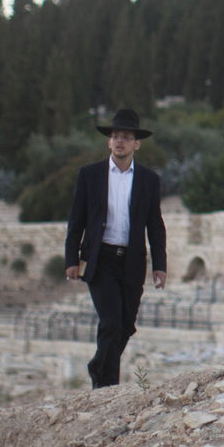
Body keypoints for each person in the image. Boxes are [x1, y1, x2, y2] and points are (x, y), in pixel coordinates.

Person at [64, 109, 167, 388]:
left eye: (126, 137)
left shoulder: (148, 180)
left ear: (137, 144)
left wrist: (160, 265)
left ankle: (99, 365)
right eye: (115, 136)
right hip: (101, 260)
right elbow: (77, 220)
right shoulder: (90, 175)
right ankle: (106, 386)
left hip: (132, 262)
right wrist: (71, 259)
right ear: (109, 142)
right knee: (110, 323)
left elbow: (155, 225)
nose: (120, 141)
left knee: (125, 326)